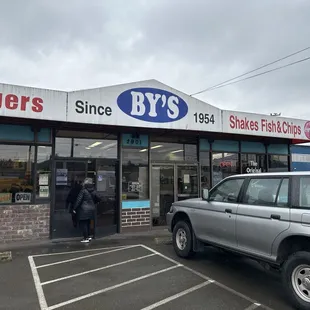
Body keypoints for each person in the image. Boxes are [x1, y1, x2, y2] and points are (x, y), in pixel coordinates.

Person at [73, 177, 101, 243]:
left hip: (83, 209)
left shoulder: (83, 190)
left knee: (83, 224)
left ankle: (85, 238)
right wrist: (94, 203)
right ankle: (89, 236)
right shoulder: (94, 190)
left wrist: (74, 208)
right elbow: (99, 198)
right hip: (91, 209)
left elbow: (78, 200)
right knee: (88, 223)